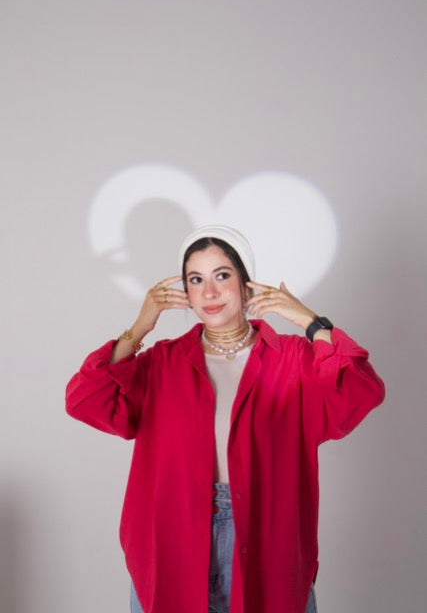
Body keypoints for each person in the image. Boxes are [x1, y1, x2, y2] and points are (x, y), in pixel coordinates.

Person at [65, 225, 385, 613]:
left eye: (222, 275)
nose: (210, 292)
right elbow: (85, 399)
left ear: (247, 285)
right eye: (195, 280)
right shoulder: (162, 363)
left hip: (266, 534)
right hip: (174, 533)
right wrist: (140, 327)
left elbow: (359, 390)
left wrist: (310, 321)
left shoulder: (293, 359)